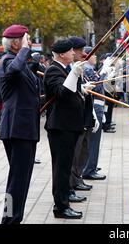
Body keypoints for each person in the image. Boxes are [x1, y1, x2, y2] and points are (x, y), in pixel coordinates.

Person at [44, 39, 93, 219]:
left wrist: (81, 88)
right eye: (71, 52)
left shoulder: (63, 69)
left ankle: (64, 202)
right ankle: (61, 207)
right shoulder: (52, 70)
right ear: (62, 54)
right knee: (61, 169)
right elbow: (62, 93)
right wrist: (73, 74)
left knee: (65, 166)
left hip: (69, 126)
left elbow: (71, 90)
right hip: (60, 127)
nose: (74, 54)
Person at [0, 25, 41, 224]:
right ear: (16, 43)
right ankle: (9, 220)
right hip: (17, 128)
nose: (30, 42)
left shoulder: (20, 63)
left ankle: (14, 219)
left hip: (25, 127)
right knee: (16, 180)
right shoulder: (8, 61)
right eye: (26, 39)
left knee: (21, 180)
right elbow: (14, 70)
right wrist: (24, 50)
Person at [68, 37, 94, 193]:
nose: (83, 54)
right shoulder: (70, 69)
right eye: (81, 51)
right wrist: (81, 89)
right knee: (74, 153)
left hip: (84, 114)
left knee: (83, 151)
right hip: (74, 118)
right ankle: (71, 183)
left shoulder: (78, 67)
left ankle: (77, 178)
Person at [83, 45, 111, 181]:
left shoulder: (89, 69)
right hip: (95, 106)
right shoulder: (87, 69)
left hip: (97, 105)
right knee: (93, 142)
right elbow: (97, 86)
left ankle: (90, 166)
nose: (95, 57)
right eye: (93, 55)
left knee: (92, 141)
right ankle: (89, 169)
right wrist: (104, 73)